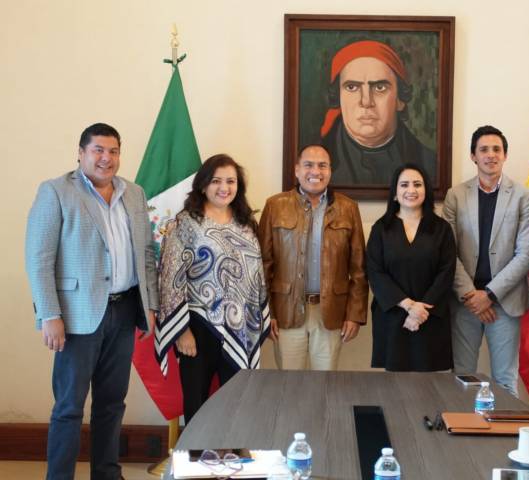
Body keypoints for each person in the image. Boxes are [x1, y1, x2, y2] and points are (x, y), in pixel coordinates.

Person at [25, 123, 158, 480]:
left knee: (111, 404)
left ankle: (107, 474)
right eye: (98, 150)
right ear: (81, 153)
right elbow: (39, 259)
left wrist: (150, 305)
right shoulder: (56, 191)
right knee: (69, 406)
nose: (106, 158)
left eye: (113, 151)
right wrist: (49, 314)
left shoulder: (134, 193)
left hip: (125, 310)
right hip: (76, 316)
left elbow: (146, 254)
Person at [154, 154, 270, 424]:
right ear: (203, 184)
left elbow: (256, 276)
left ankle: (233, 448)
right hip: (197, 328)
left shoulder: (246, 223)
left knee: (238, 401)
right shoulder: (185, 224)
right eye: (216, 181)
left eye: (231, 181)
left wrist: (259, 318)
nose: (224, 187)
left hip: (241, 328)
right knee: (197, 403)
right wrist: (182, 331)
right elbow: (170, 279)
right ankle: (196, 450)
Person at [442, 125, 529, 397]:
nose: (491, 155)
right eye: (483, 149)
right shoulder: (455, 196)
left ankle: (504, 428)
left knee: (505, 380)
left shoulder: (524, 197)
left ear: (505, 155)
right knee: (462, 377)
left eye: (497, 149)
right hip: (466, 302)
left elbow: (526, 254)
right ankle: (462, 427)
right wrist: (472, 295)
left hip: (505, 302)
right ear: (473, 156)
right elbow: (448, 252)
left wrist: (490, 294)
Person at [258, 144, 368, 370]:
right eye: (308, 165)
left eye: (322, 165)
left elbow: (359, 268)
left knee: (324, 384)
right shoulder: (275, 206)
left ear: (330, 170)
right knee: (289, 383)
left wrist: (355, 314)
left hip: (331, 312)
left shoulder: (348, 208)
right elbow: (263, 265)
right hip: (286, 310)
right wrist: (266, 313)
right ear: (297, 170)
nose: (315, 171)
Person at [366, 164, 456, 371]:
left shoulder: (441, 228)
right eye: (404, 185)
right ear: (395, 193)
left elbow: (446, 272)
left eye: (417, 184)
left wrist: (420, 310)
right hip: (392, 316)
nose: (411, 190)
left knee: (431, 383)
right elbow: (375, 272)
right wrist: (408, 306)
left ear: (426, 190)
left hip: (430, 316)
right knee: (394, 383)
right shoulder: (381, 228)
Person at [320, 40, 436, 186]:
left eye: (379, 87)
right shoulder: (319, 162)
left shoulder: (428, 162)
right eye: (352, 87)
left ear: (400, 99)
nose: (366, 101)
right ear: (338, 97)